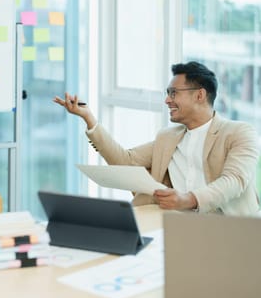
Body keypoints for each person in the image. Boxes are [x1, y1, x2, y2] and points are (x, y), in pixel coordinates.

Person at [54, 61, 260, 216]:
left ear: (199, 95)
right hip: (173, 223)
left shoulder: (240, 133)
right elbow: (125, 161)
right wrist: (89, 119)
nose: (167, 100)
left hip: (228, 229)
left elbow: (234, 180)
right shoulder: (168, 137)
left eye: (173, 93)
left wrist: (188, 199)